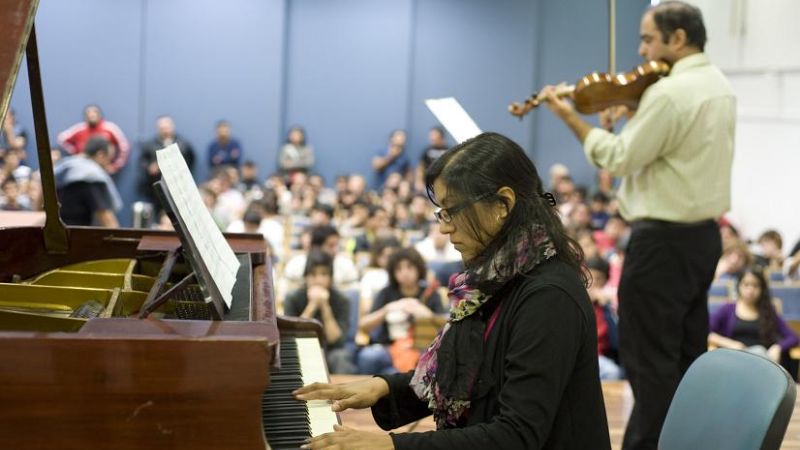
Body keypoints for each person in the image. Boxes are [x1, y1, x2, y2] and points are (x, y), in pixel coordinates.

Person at [294, 132, 610, 449]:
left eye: (452, 210)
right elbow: (462, 378)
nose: (444, 226)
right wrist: (383, 387)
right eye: (441, 212)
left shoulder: (549, 295)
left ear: (503, 204)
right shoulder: (494, 277)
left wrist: (391, 446)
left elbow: (517, 435)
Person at [541, 2, 735, 448]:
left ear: (678, 38)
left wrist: (568, 116)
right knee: (684, 361)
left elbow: (618, 157)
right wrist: (633, 116)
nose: (641, 48)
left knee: (649, 368)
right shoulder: (718, 84)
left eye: (648, 38)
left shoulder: (668, 93)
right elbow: (675, 148)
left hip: (662, 243)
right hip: (703, 238)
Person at [357, 247, 445, 375]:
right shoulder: (386, 292)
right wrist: (387, 309)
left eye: (409, 267)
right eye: (399, 269)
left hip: (422, 347)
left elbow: (444, 329)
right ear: (393, 273)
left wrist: (425, 313)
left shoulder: (430, 294)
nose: (404, 273)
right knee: (368, 356)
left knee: (433, 358)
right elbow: (363, 326)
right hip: (389, 347)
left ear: (418, 268)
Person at [709, 267, 799, 369]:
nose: (750, 290)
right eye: (746, 285)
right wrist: (729, 343)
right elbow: (707, 332)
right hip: (734, 359)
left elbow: (793, 337)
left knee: (760, 351)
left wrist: (778, 347)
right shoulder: (727, 309)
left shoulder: (768, 311)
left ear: (762, 289)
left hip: (761, 359)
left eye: (755, 286)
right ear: (739, 286)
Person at [283, 249, 355, 374]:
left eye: (324, 274)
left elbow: (337, 341)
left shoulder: (342, 300)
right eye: (313, 274)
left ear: (331, 278)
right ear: (306, 277)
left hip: (332, 351)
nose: (319, 280)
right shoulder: (293, 298)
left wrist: (325, 306)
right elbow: (292, 337)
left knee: (341, 357)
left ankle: (343, 393)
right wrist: (312, 306)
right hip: (302, 349)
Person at [54, 136, 122, 227]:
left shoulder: (64, 167)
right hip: (80, 235)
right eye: (109, 159)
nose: (109, 165)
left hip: (57, 232)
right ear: (100, 155)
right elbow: (106, 218)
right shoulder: (92, 176)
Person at [137, 115, 196, 209]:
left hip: (179, 189)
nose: (165, 130)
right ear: (157, 129)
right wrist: (149, 167)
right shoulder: (149, 144)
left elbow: (191, 160)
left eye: (167, 127)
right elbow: (142, 162)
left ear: (172, 127)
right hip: (156, 189)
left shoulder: (183, 143)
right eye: (162, 128)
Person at [57, 105, 130, 174]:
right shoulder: (80, 128)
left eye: (94, 112)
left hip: (103, 169)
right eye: (89, 113)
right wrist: (75, 152)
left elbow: (124, 146)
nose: (91, 115)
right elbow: (62, 139)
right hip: (83, 167)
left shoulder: (109, 128)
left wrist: (116, 166)